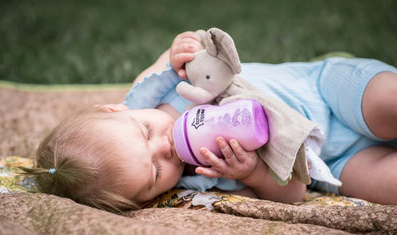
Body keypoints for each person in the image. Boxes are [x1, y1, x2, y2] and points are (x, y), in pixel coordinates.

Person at [23, 31, 397, 213]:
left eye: (146, 132)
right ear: (151, 197)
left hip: (329, 91)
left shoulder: (151, 91)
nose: (165, 146)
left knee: (385, 105)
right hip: (331, 162)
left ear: (116, 110)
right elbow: (296, 194)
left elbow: (187, 48)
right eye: (155, 171)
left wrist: (179, 51)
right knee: (385, 187)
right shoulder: (205, 173)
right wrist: (252, 173)